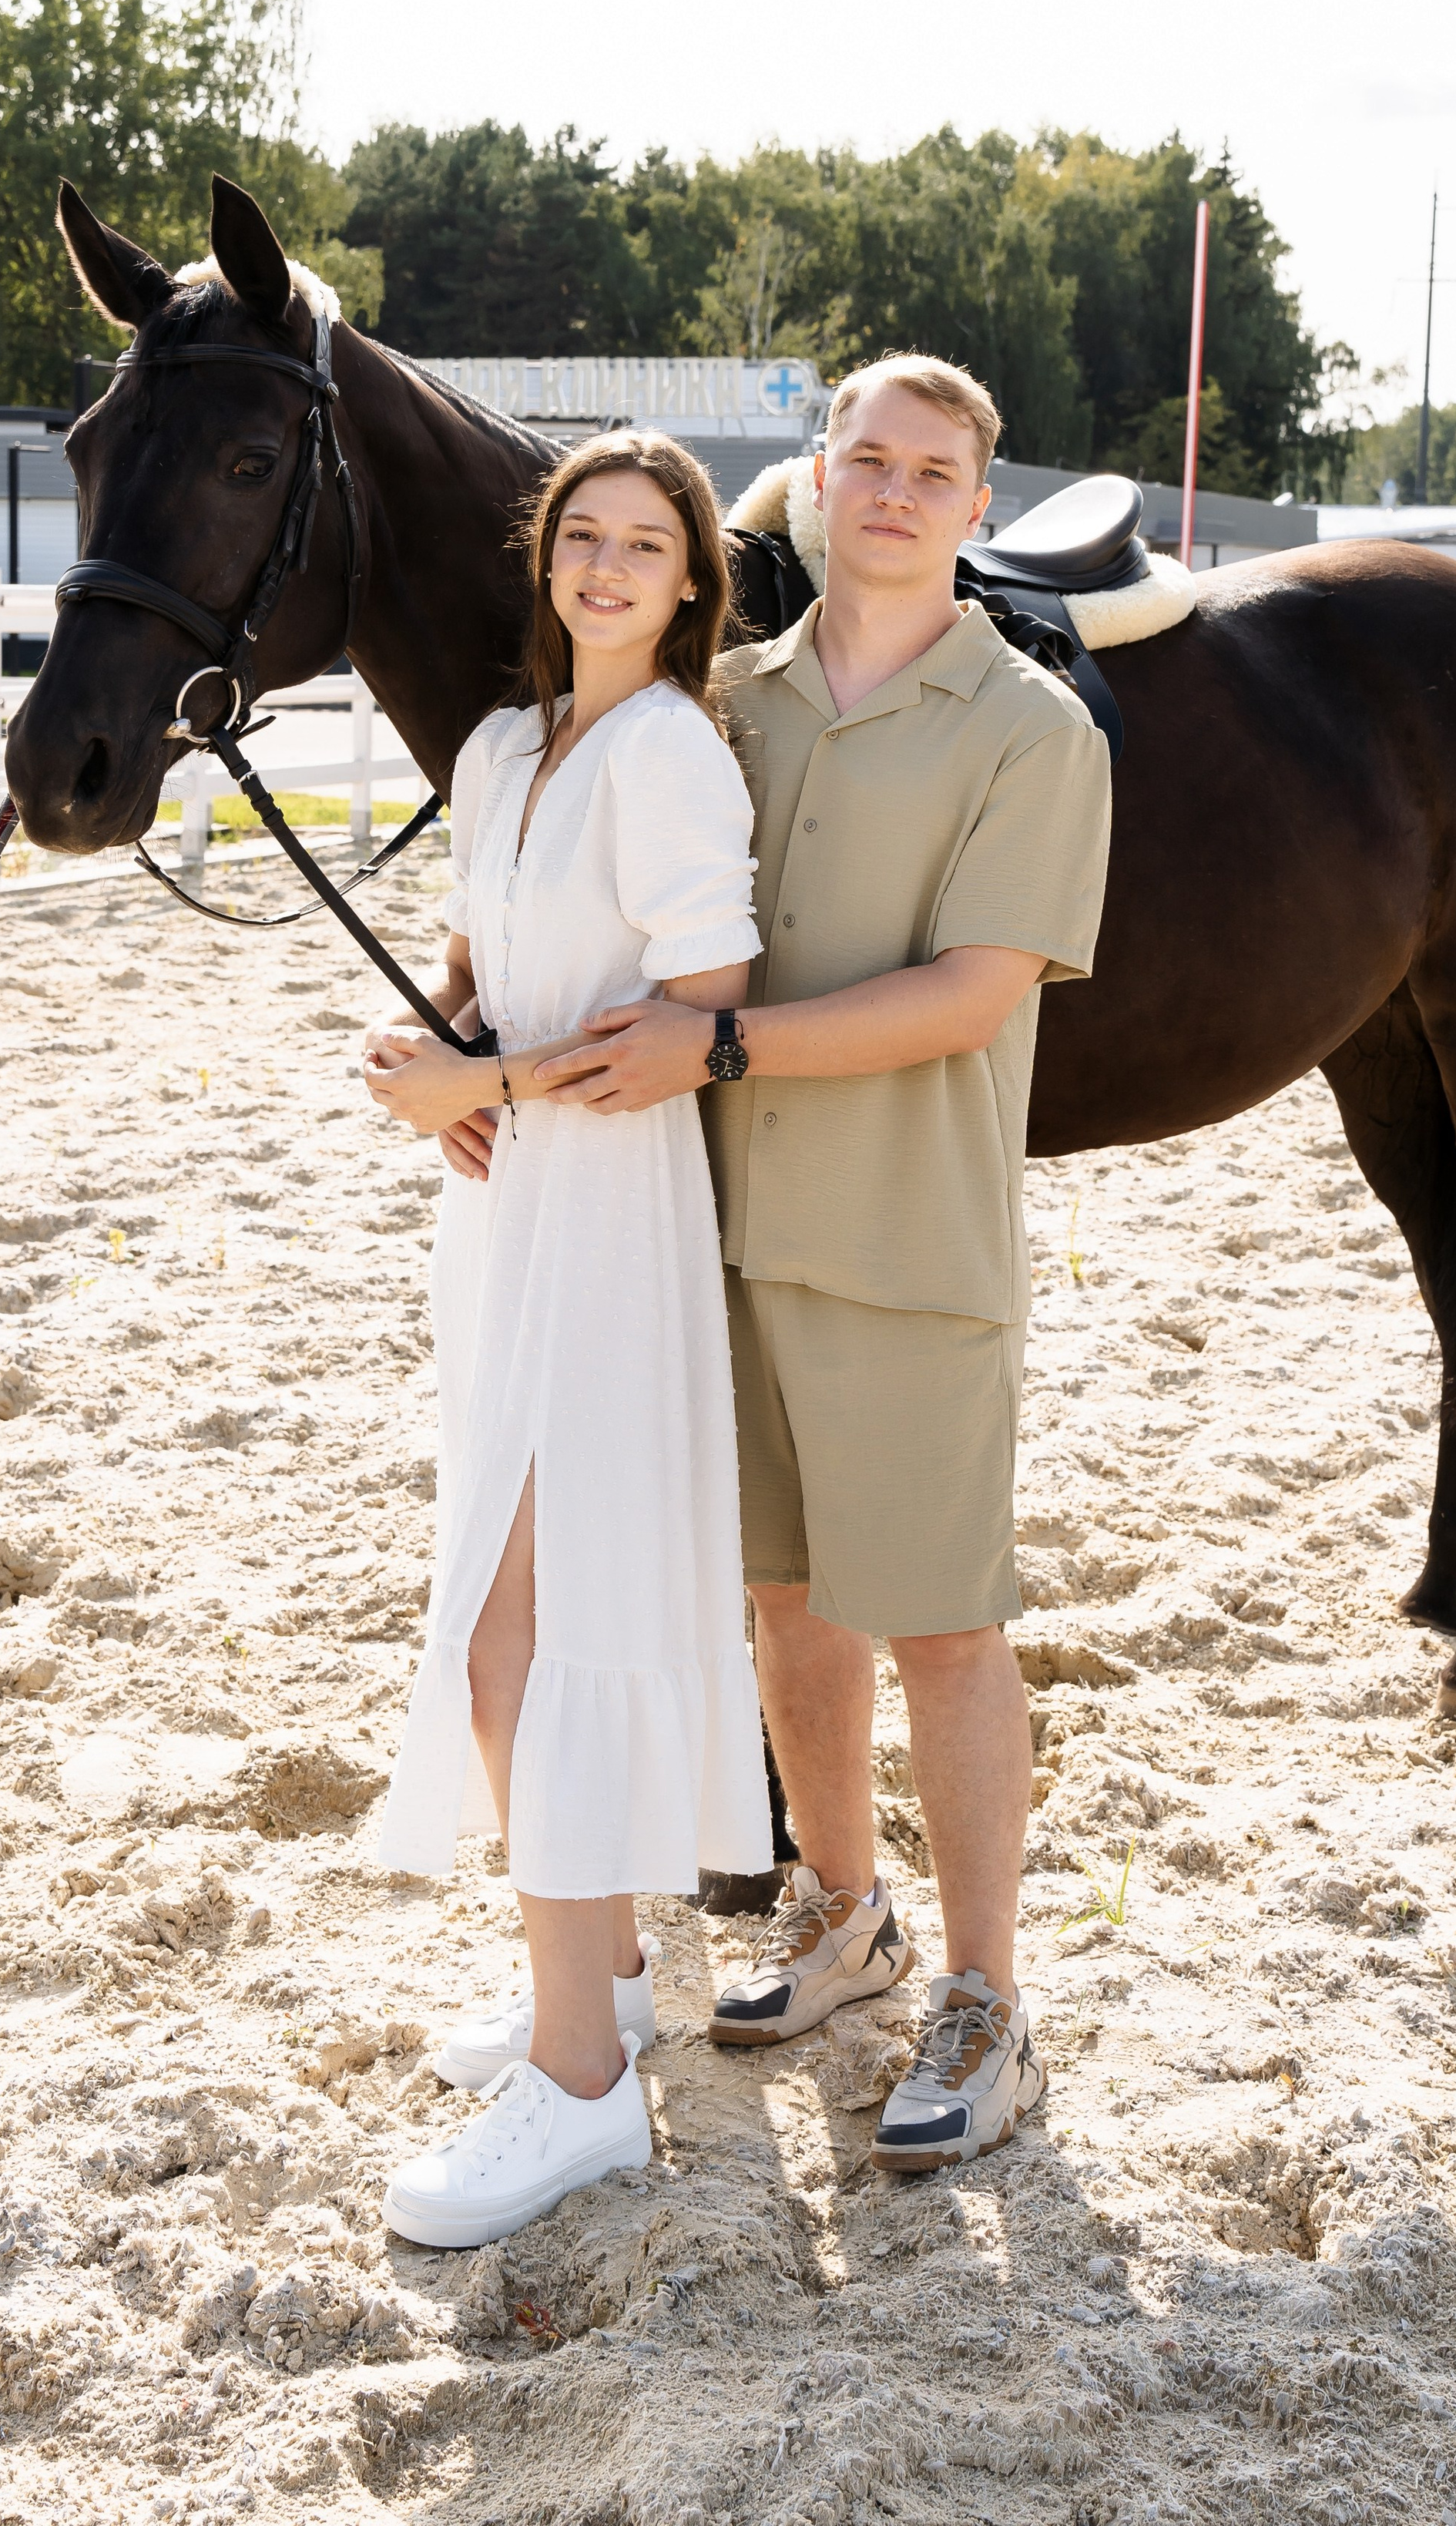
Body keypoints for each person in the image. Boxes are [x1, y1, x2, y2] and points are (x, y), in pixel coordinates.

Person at [520, 354, 1112, 2175]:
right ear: (813, 475)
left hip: (905, 1242)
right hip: (717, 1235)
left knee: (941, 1623)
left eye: (932, 471)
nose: (892, 492)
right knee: (786, 1605)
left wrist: (720, 1054)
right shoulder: (722, 714)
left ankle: (987, 1998)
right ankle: (846, 1912)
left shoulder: (1031, 731)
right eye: (865, 458)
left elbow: (967, 993)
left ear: (974, 509)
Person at [362, 429, 774, 2249]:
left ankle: (589, 2097)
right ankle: (591, 1994)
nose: (607, 570)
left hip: (610, 1210)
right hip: (504, 1206)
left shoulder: (674, 755)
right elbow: (481, 960)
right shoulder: (502, 746)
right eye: (582, 538)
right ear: (546, 559)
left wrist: (492, 1075)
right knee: (510, 1618)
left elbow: (691, 1015)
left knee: (519, 1639)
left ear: (691, 584)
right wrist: (419, 1056)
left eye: (645, 548)